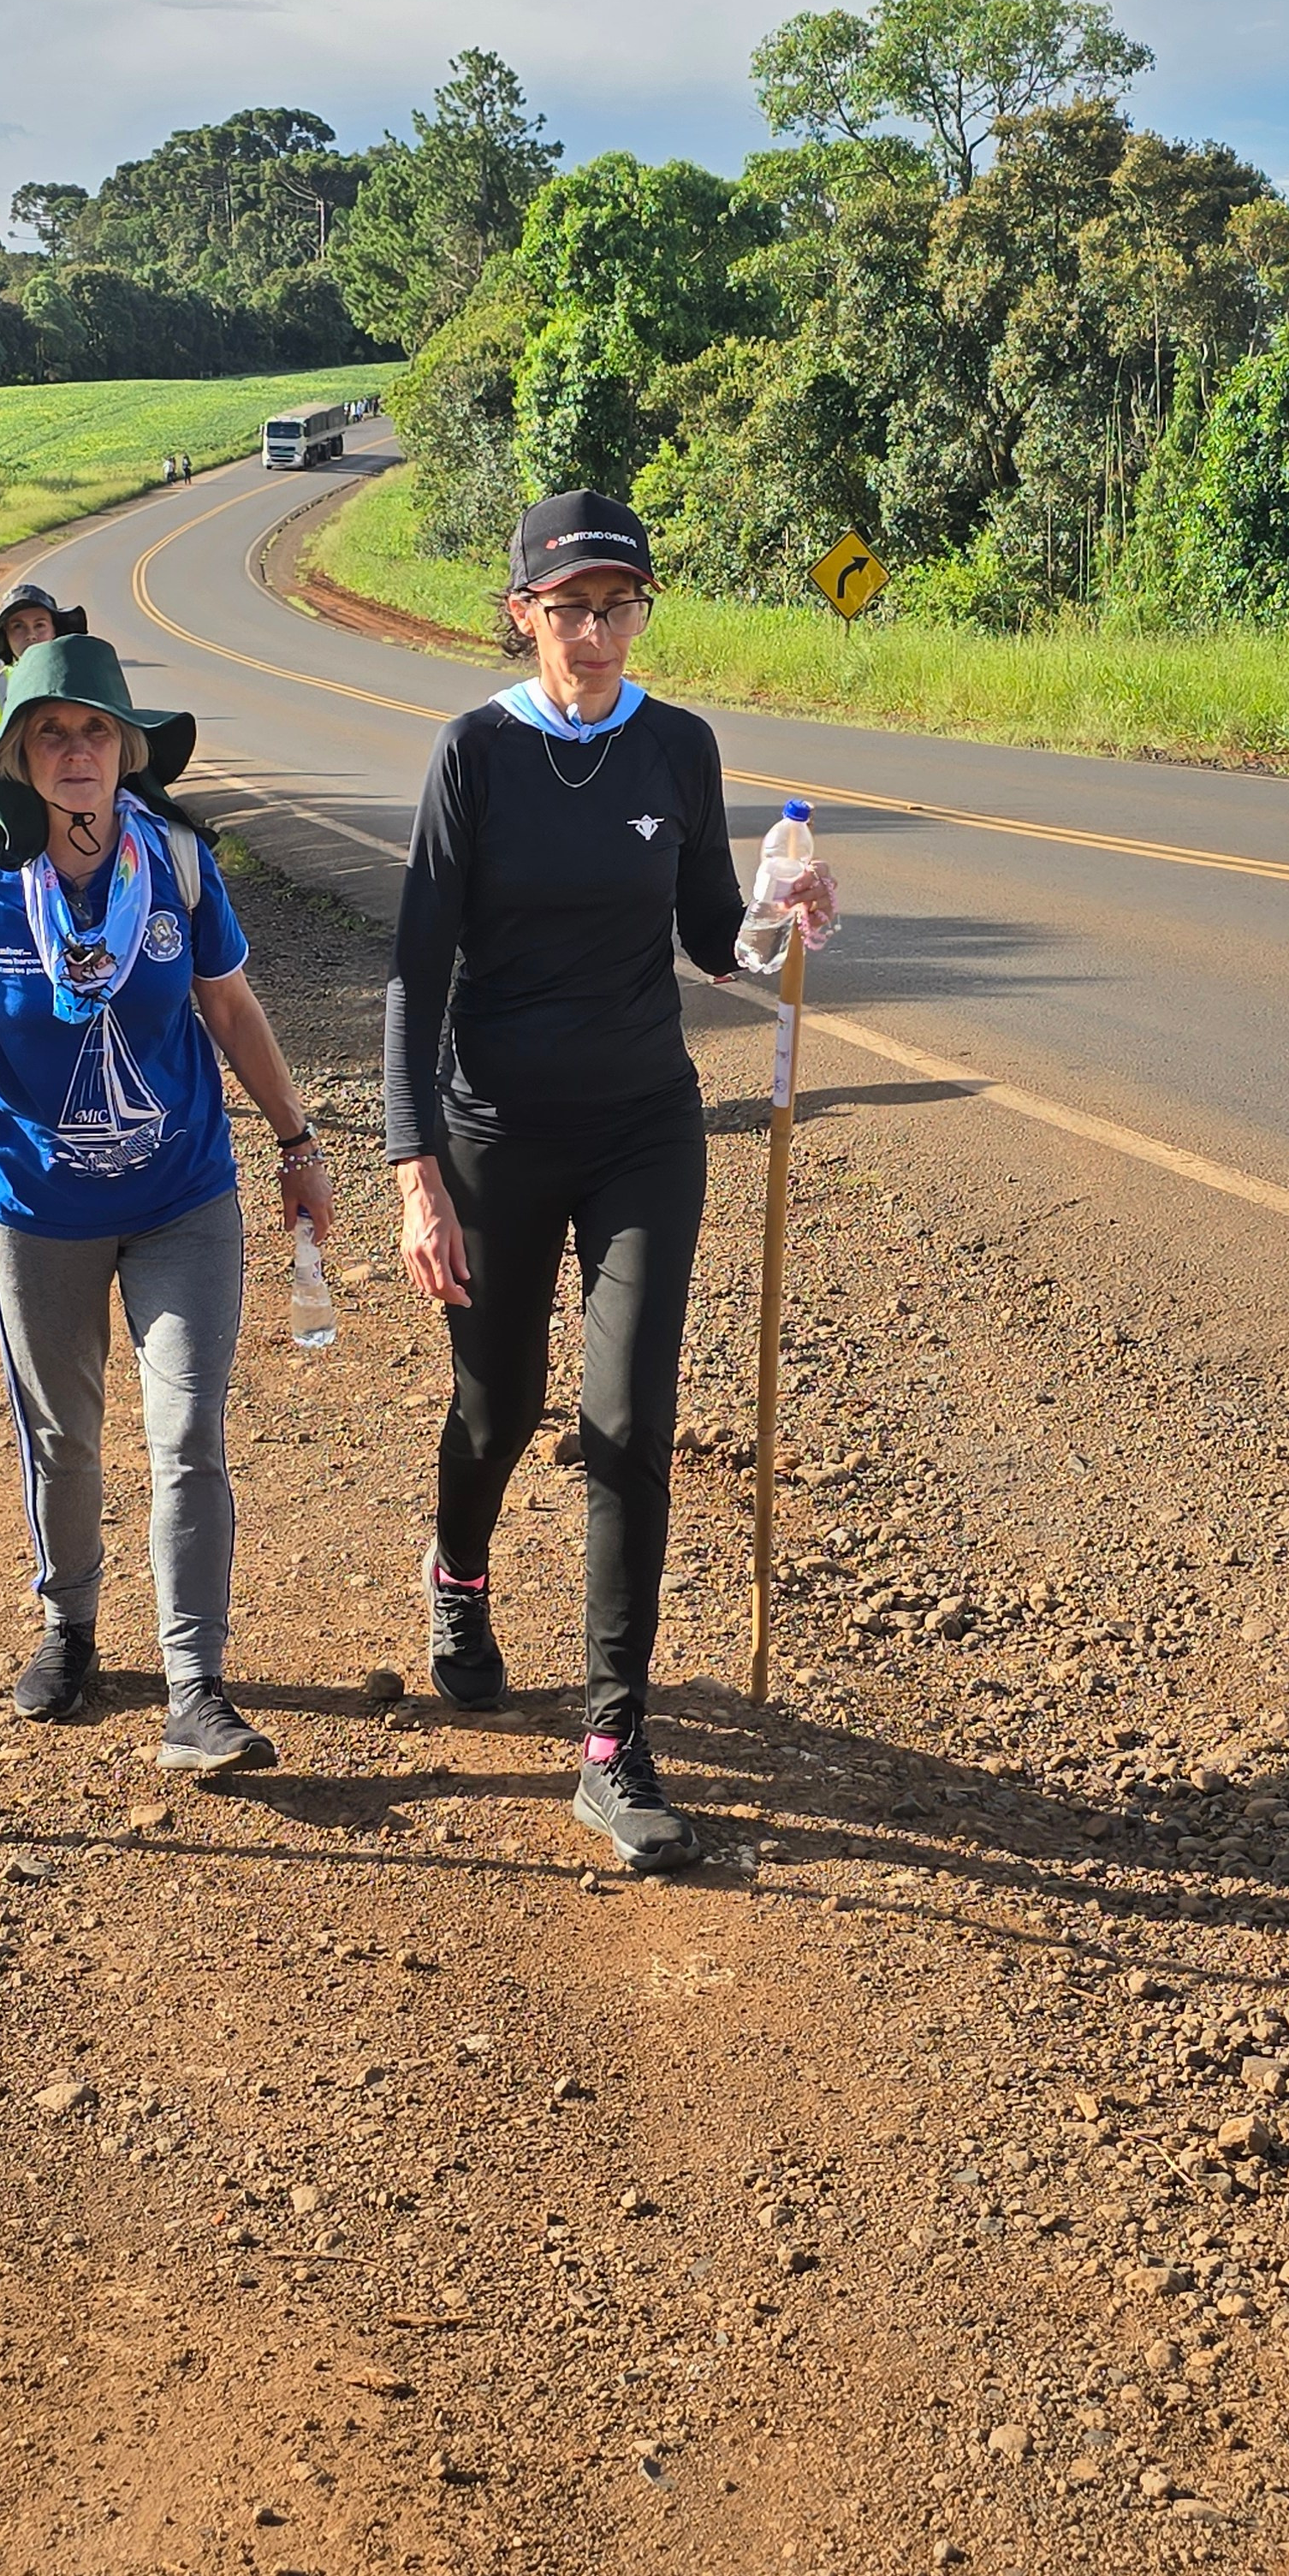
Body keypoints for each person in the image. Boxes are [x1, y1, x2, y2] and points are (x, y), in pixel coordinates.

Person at [385, 489, 834, 1875]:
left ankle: (612, 1741)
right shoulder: (472, 757)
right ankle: (457, 1577)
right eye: (568, 606)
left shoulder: (679, 751)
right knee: (499, 1401)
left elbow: (715, 938)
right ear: (521, 611)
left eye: (618, 605)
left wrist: (782, 915)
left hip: (644, 1124)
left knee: (630, 1418)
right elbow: (414, 973)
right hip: (496, 1130)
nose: (594, 631)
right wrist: (414, 1173)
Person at [0, 634, 332, 1774]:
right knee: (62, 1439)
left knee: (187, 1432)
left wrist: (298, 1140)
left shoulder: (174, 861)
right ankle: (70, 1631)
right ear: (16, 758)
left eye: (96, 730)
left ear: (126, 753)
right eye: (51, 733)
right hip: (36, 1203)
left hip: (184, 1200)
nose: (75, 751)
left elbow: (230, 1009)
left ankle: (193, 1688)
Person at [0, 582, 86, 760]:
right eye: (18, 626)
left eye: (40, 625)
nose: (31, 635)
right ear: (6, 635)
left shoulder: (84, 681)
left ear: (54, 632)